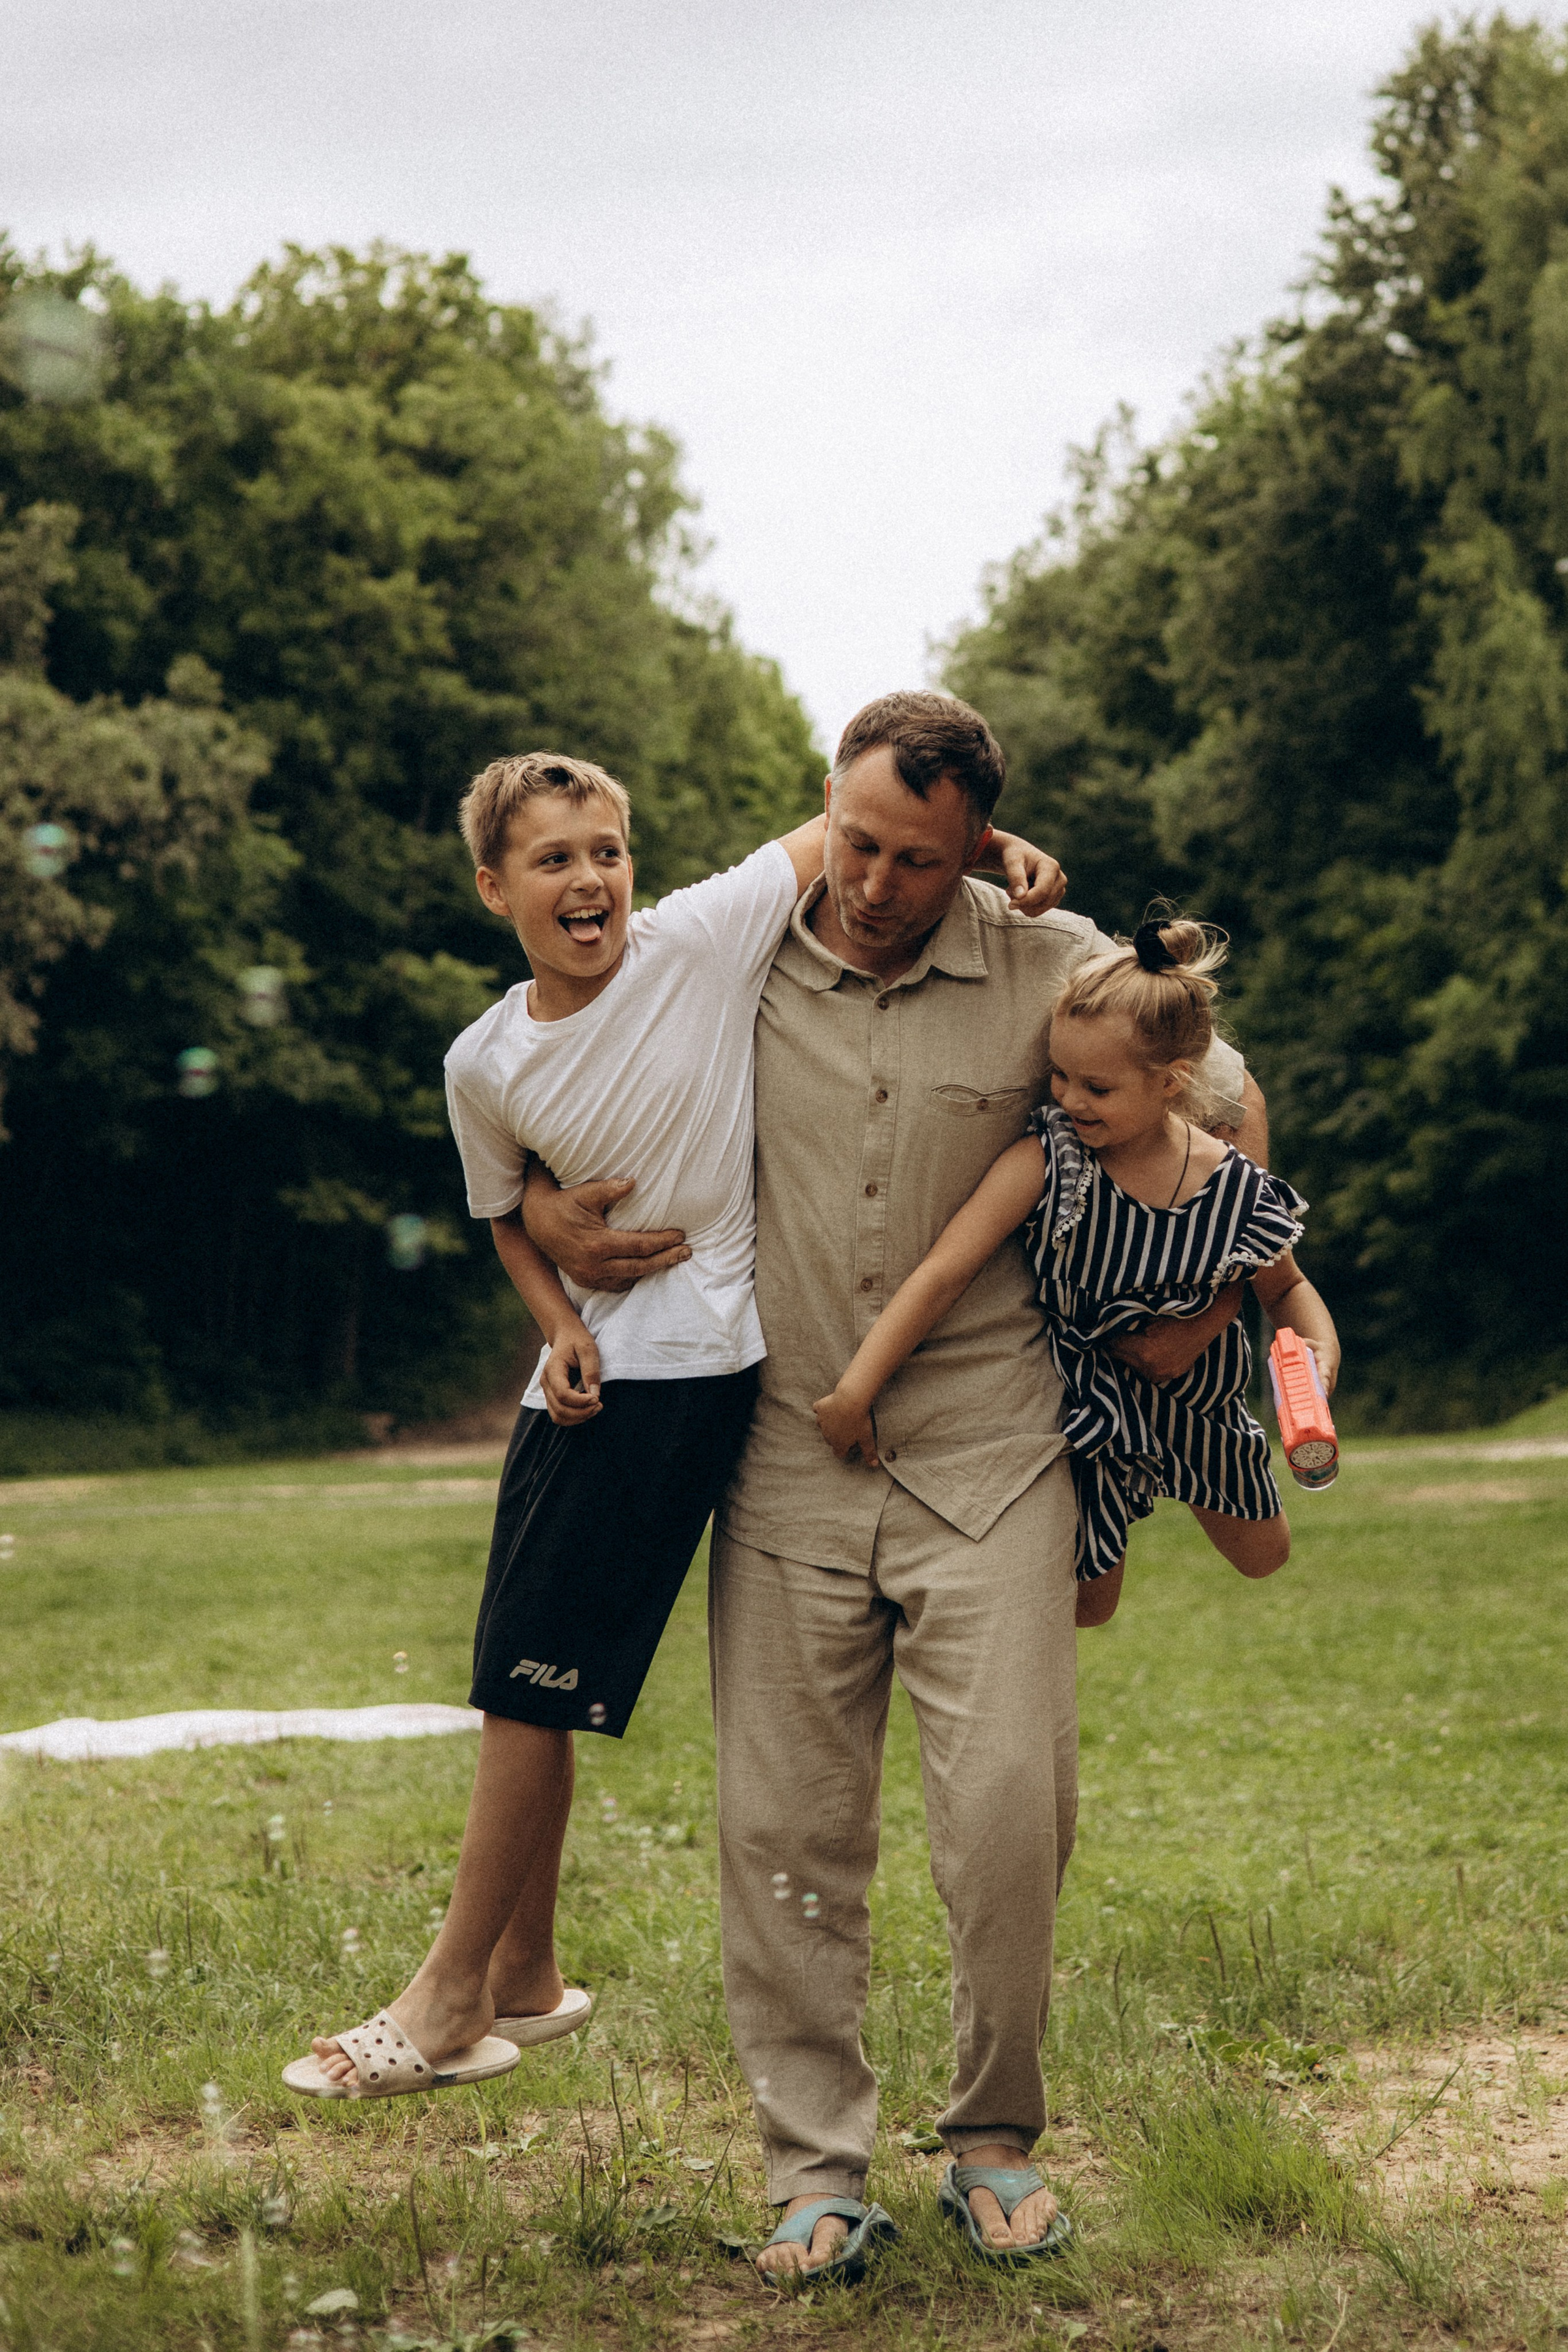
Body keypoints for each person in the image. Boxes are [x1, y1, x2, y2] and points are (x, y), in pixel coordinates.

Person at [520, 692, 1270, 2278]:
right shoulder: (732, 958)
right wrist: (538, 1205)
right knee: (783, 1831)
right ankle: (813, 2174)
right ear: (824, 811)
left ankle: (993, 2141)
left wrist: (1209, 1293)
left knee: (1006, 1812)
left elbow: (1217, 1093)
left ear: (975, 845)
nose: (874, 883)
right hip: (782, 1455)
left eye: (917, 859)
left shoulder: (1049, 962)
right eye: (855, 843)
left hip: (993, 1451)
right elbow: (551, 1052)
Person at [281, 749, 1060, 2100]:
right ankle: (524, 1973)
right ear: (494, 889)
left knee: (524, 1690)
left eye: (607, 852)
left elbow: (850, 824)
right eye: (552, 860)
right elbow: (504, 1215)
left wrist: (995, 847)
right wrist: (555, 1317)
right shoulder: (481, 1060)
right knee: (524, 1679)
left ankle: (451, 1997)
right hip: (587, 1377)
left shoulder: (698, 938)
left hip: (690, 1368)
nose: (589, 879)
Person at [814, 916, 1338, 1630]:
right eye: (1059, 1075)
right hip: (1091, 1410)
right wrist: (855, 1391)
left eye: (1096, 1086)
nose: (1068, 1099)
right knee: (1090, 1607)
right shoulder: (1050, 1160)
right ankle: (1115, 1500)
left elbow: (1287, 1289)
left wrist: (1318, 1350)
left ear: (1170, 1082)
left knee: (1264, 1556)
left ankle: (1173, 1474)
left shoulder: (1235, 1187)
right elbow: (943, 1271)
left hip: (1201, 1403)